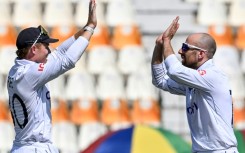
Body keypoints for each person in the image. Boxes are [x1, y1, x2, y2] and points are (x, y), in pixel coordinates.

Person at [6, 0, 97, 152]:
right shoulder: (30, 74)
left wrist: (86, 27)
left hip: (29, 147)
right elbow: (67, 60)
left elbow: (60, 52)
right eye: (46, 46)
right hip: (34, 148)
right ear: (34, 49)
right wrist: (92, 29)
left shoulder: (20, 69)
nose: (49, 50)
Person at [151, 16, 239, 153]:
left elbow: (174, 70)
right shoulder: (194, 79)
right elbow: (160, 80)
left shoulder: (213, 76)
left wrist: (167, 40)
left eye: (185, 47)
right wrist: (159, 46)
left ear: (200, 54)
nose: (180, 51)